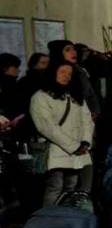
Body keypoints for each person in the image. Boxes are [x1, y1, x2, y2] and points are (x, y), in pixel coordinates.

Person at [30, 61, 94, 205]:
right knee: (55, 186)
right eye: (62, 72)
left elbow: (86, 119)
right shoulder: (40, 97)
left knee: (71, 186)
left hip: (77, 149)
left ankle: (65, 217)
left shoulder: (75, 95)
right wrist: (73, 146)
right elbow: (46, 126)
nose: (67, 76)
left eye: (70, 73)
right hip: (56, 149)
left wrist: (85, 142)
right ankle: (49, 219)